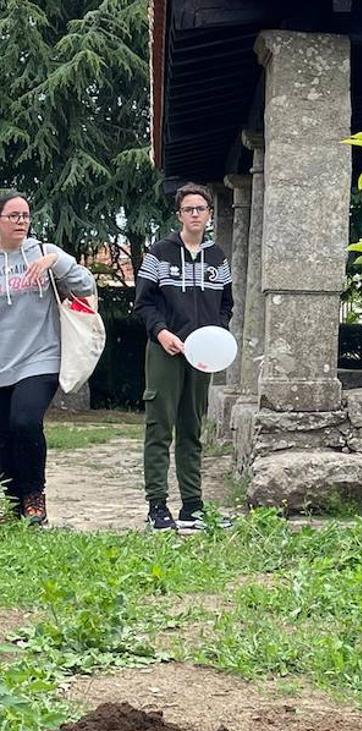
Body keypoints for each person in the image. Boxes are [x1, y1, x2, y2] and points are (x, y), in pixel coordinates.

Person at [134, 183, 233, 531]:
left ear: (209, 215)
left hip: (201, 357)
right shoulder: (159, 253)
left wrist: (215, 337)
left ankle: (192, 506)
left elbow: (226, 305)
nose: (195, 215)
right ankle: (157, 507)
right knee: (159, 427)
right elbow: (144, 303)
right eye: (188, 209)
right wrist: (162, 333)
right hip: (165, 350)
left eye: (201, 209)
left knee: (192, 429)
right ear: (179, 215)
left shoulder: (217, 257)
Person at [0, 191, 97, 526]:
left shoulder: (44, 252)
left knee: (24, 422)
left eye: (25, 215)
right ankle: (10, 502)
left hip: (40, 357)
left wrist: (58, 262)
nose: (21, 222)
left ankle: (34, 496)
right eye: (13, 216)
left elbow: (86, 285)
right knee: (4, 434)